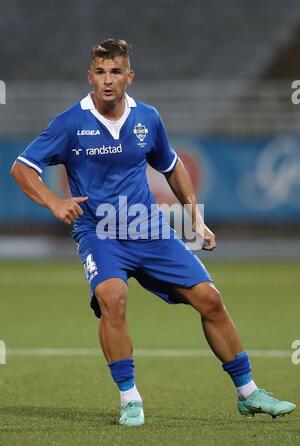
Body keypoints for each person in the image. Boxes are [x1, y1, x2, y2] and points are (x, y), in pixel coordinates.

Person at [11, 39, 295, 426]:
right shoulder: (69, 123)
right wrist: (54, 202)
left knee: (210, 299)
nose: (107, 80)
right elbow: (22, 167)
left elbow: (172, 166)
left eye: (115, 72)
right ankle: (130, 399)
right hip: (100, 231)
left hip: (149, 229)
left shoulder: (148, 118)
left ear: (129, 76)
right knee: (113, 297)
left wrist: (195, 217)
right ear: (89, 76)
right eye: (100, 72)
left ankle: (249, 392)